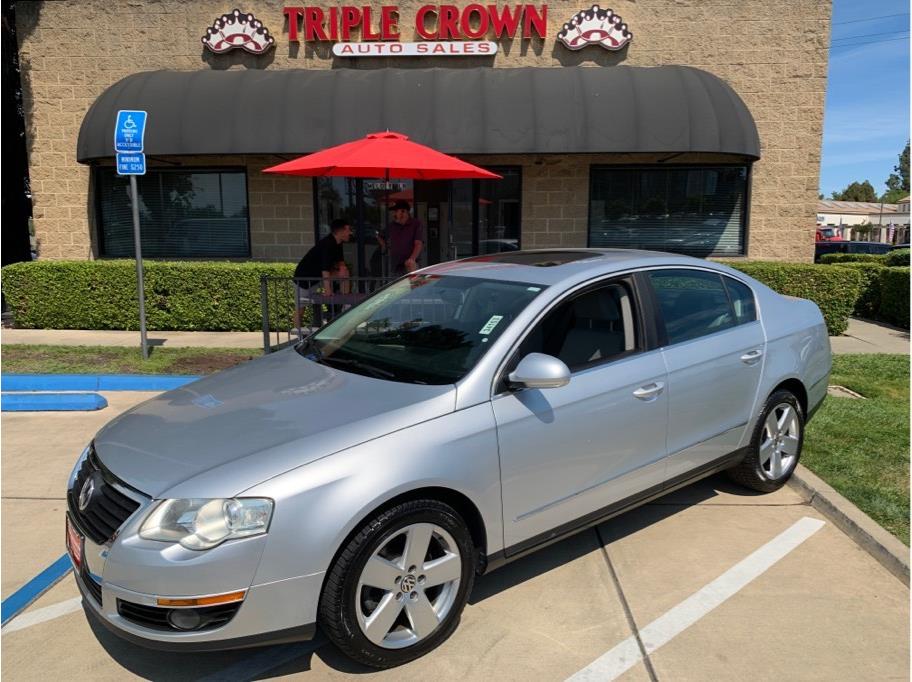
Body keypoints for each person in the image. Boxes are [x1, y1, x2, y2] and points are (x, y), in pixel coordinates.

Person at [293, 219, 352, 329]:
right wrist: (328, 291)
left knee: (345, 272)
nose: (350, 233)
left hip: (317, 278)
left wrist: (343, 268)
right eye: (348, 230)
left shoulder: (338, 243)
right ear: (340, 231)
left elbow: (341, 262)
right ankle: (299, 338)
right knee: (300, 310)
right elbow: (325, 270)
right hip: (304, 280)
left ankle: (346, 304)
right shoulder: (327, 244)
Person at [378, 200, 425, 275]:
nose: (394, 214)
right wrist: (387, 247)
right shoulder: (392, 226)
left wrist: (412, 259)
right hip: (396, 264)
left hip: (410, 264)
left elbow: (418, 243)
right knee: (397, 285)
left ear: (404, 212)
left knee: (414, 284)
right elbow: (380, 236)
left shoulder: (415, 224)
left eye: (396, 211)